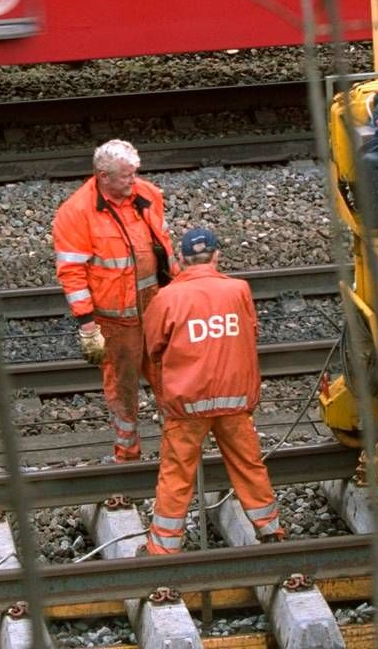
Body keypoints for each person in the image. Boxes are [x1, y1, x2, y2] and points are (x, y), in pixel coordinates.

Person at [142, 227, 284, 553]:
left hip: (187, 404)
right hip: (234, 402)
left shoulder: (166, 298)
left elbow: (153, 350)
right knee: (249, 467)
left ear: (180, 260)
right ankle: (271, 531)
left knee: (176, 475)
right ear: (217, 256)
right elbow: (251, 333)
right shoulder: (239, 290)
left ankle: (163, 548)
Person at [52, 139, 175, 462]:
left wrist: (177, 293)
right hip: (116, 321)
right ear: (103, 176)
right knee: (122, 390)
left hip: (155, 308)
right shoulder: (76, 213)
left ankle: (178, 449)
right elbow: (72, 273)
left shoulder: (147, 195)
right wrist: (88, 326)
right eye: (126, 176)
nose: (133, 181)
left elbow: (165, 249)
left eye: (135, 173)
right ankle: (127, 453)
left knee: (171, 380)